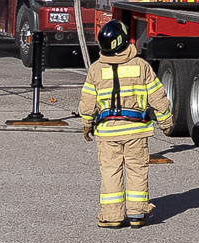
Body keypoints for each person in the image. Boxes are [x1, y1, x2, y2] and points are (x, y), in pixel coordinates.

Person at [72, 19, 170, 227]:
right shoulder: (141, 66)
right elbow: (157, 96)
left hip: (108, 133)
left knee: (110, 171)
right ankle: (136, 214)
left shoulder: (96, 69)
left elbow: (88, 102)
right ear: (125, 41)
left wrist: (87, 124)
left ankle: (112, 216)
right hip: (136, 131)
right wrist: (166, 121)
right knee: (136, 169)